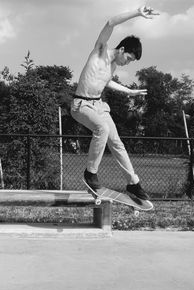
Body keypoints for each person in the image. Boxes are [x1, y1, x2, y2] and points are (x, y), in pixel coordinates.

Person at [71, 6, 159, 201]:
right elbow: (110, 23)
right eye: (128, 58)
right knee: (101, 129)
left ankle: (133, 183)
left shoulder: (112, 66)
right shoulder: (100, 51)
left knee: (117, 142)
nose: (127, 63)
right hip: (81, 105)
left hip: (98, 106)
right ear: (121, 50)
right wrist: (137, 13)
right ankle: (90, 173)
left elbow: (106, 82)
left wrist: (129, 91)